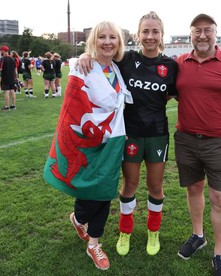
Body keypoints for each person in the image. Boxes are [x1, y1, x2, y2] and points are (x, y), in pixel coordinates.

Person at [77, 11, 178, 257]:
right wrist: (84, 55)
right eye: (145, 31)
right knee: (129, 184)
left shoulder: (171, 66)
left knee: (155, 186)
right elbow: (103, 57)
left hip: (157, 135)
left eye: (155, 31)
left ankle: (153, 232)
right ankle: (125, 231)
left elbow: (170, 95)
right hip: (128, 134)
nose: (150, 36)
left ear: (161, 35)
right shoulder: (126, 59)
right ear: (138, 34)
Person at [43, 21, 132, 271]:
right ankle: (79, 218)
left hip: (112, 141)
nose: (107, 42)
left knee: (104, 190)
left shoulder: (117, 68)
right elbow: (73, 107)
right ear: (94, 41)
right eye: (101, 37)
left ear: (119, 42)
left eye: (112, 37)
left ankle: (94, 242)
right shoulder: (83, 66)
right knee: (88, 188)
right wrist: (82, 55)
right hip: (87, 140)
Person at [174, 14, 221, 276]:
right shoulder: (180, 62)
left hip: (219, 142)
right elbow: (171, 93)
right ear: (190, 34)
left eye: (208, 31)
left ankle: (219, 252)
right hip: (185, 139)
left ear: (216, 33)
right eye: (197, 31)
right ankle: (198, 235)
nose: (202, 36)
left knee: (219, 198)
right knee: (194, 188)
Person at [0, 45, 17, 110]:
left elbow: (0, 68)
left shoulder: (2, 59)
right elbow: (15, 69)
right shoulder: (12, 59)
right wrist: (16, 77)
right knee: (12, 91)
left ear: (2, 51)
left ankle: (6, 106)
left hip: (5, 76)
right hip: (12, 77)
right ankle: (13, 105)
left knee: (6, 91)